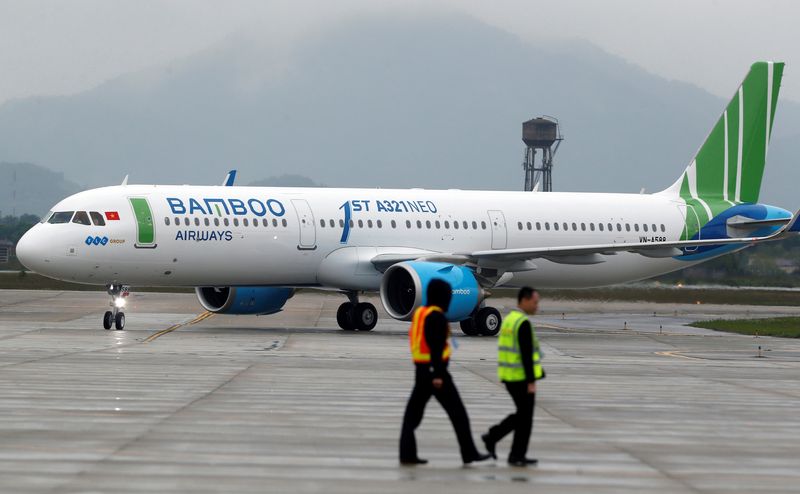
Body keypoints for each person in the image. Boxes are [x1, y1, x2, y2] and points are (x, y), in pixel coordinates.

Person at [399, 278, 492, 465]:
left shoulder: (420, 314)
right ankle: (469, 453)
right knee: (459, 414)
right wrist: (439, 375)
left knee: (411, 417)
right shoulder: (437, 317)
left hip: (421, 372)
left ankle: (407, 454)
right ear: (442, 297)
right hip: (437, 374)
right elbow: (436, 348)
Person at [482, 286, 545, 467]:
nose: (536, 306)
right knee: (525, 418)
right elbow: (526, 355)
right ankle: (515, 454)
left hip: (509, 375)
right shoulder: (522, 323)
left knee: (522, 416)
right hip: (521, 378)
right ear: (524, 301)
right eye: (535, 302)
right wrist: (531, 381)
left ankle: (495, 438)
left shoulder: (510, 320)